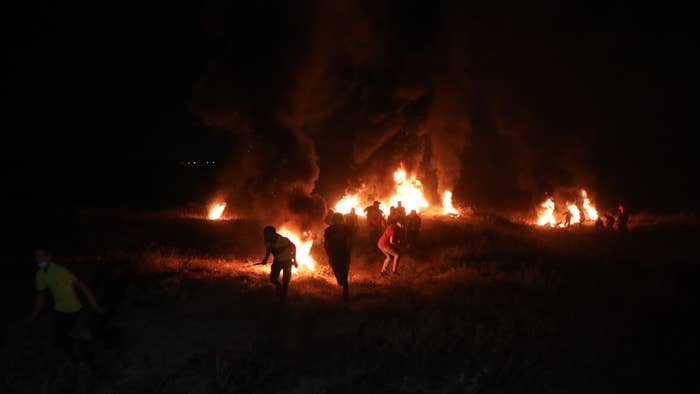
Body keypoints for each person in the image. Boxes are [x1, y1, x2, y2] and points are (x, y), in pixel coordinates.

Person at [28, 250, 105, 367]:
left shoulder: (60, 271)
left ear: (49, 257)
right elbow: (41, 298)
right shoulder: (40, 275)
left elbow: (82, 286)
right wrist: (33, 316)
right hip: (59, 310)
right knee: (59, 340)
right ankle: (78, 361)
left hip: (73, 309)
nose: (39, 259)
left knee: (72, 337)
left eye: (42, 256)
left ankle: (88, 360)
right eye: (37, 256)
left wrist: (95, 305)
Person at [259, 226, 297, 303]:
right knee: (272, 279)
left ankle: (283, 298)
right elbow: (268, 250)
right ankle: (279, 287)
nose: (266, 235)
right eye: (265, 234)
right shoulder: (266, 241)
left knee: (285, 281)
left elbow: (293, 247)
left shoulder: (283, 240)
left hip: (287, 261)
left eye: (268, 234)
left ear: (274, 233)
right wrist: (265, 259)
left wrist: (295, 260)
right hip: (277, 261)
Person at [324, 213, 352, 307]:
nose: (338, 221)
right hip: (334, 254)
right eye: (337, 219)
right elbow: (326, 243)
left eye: (339, 219)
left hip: (343, 254)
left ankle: (346, 293)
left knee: (344, 272)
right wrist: (328, 253)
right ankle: (342, 282)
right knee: (337, 272)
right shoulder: (329, 230)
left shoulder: (346, 229)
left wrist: (348, 253)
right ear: (334, 220)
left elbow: (349, 241)